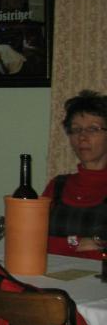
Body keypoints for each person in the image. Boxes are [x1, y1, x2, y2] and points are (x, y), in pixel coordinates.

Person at [44, 89, 107, 260]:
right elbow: (32, 240)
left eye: (93, 129)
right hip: (54, 273)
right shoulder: (57, 185)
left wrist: (59, 245)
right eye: (76, 129)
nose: (82, 137)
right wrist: (77, 243)